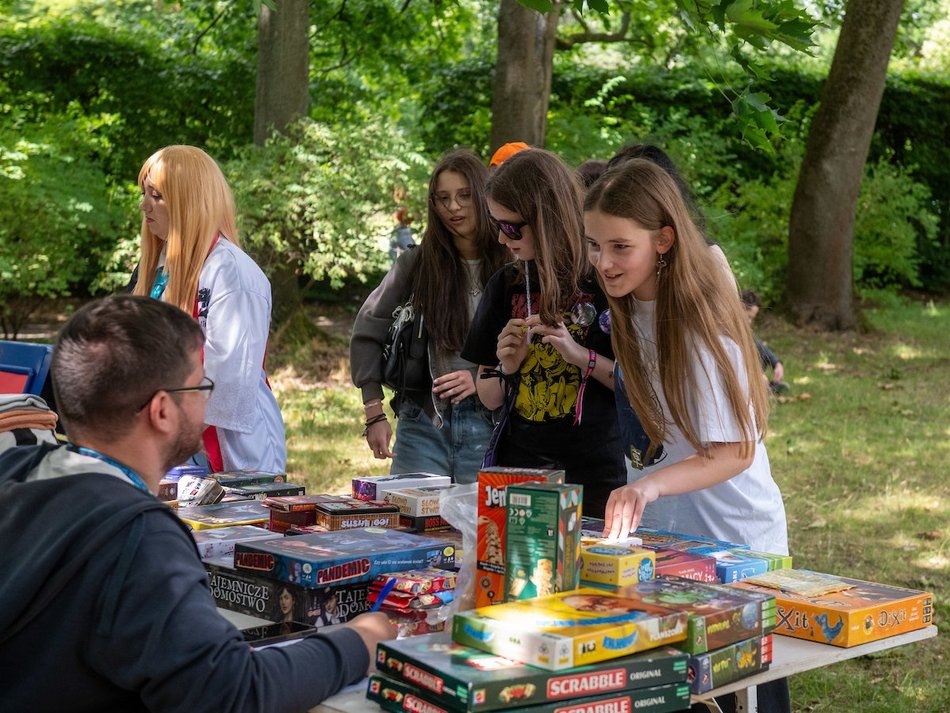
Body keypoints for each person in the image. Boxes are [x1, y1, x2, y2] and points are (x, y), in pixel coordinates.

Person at [0, 295, 395, 712]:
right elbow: (232, 694)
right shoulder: (136, 535)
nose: (208, 399)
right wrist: (358, 643)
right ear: (162, 411)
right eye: (201, 385)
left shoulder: (19, 467)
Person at [584, 159, 790, 713]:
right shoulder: (629, 308)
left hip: (737, 549)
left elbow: (733, 452)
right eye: (594, 245)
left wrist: (648, 488)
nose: (603, 263)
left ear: (664, 240)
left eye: (619, 247)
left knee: (747, 696)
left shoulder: (698, 323)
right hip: (676, 547)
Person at [462, 149, 625, 517]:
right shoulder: (506, 284)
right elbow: (489, 395)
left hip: (595, 478)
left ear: (546, 218)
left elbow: (640, 386)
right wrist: (509, 366)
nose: (502, 240)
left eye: (510, 227)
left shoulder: (605, 282)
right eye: (496, 225)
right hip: (518, 472)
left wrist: (580, 356)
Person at [350, 149, 509, 483]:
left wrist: (483, 381)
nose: (453, 207)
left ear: (484, 196)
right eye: (443, 198)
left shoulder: (513, 264)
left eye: (464, 196)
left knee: (481, 532)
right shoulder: (417, 264)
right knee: (412, 531)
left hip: (490, 423)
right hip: (422, 421)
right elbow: (367, 330)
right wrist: (373, 412)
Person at [132, 145, 286, 474]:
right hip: (172, 445)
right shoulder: (161, 269)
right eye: (145, 194)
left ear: (189, 200)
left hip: (227, 455)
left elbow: (230, 378)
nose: (144, 205)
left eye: (156, 195)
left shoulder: (232, 272)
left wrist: (162, 431)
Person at [741, 290, 789, 394]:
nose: (749, 322)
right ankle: (764, 388)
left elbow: (761, 347)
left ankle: (765, 387)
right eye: (748, 317)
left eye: (752, 319)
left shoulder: (746, 332)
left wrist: (777, 363)